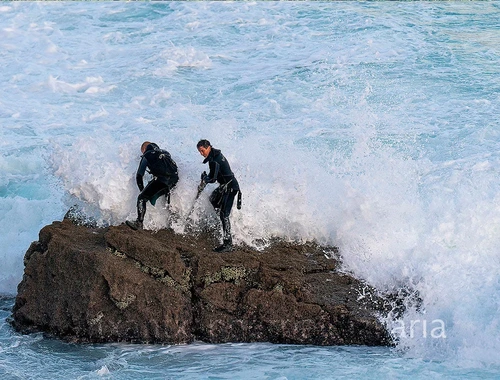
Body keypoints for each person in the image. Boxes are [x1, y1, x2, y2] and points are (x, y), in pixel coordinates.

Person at [197, 139, 241, 252]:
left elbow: (212, 179)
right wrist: (206, 177)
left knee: (224, 214)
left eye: (202, 151)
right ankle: (220, 220)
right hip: (224, 186)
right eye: (199, 152)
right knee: (212, 199)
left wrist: (205, 178)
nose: (201, 154)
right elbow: (213, 175)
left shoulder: (215, 160)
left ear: (208, 147)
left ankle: (228, 244)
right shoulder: (213, 156)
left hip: (230, 187)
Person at [126, 141, 179, 230]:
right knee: (166, 198)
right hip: (174, 179)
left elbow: (139, 175)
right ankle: (174, 223)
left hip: (162, 180)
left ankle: (139, 223)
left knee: (142, 198)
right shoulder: (165, 153)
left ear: (144, 150)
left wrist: (142, 191)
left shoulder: (147, 155)